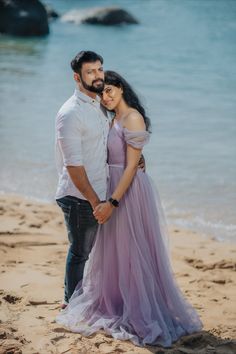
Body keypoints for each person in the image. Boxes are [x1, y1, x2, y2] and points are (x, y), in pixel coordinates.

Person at [56, 71, 203, 347]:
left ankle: (139, 307)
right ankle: (116, 300)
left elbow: (133, 166)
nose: (106, 97)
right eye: (102, 93)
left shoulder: (132, 117)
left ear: (122, 89)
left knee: (134, 250)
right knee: (115, 250)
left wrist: (112, 201)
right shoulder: (112, 118)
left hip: (128, 192)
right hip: (112, 186)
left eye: (111, 90)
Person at [55, 51, 109, 310]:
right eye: (91, 71)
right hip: (79, 196)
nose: (98, 76)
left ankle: (87, 298)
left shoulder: (100, 102)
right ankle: (71, 304)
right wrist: (95, 201)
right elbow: (73, 166)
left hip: (101, 191)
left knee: (96, 252)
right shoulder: (70, 113)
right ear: (77, 77)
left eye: (100, 69)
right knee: (80, 252)